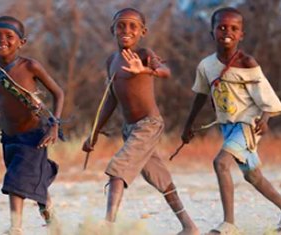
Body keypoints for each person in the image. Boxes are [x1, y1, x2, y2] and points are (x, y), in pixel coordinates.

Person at [181, 7, 281, 234]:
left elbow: (266, 96)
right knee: (253, 176)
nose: (227, 32)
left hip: (248, 124)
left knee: (220, 163)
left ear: (242, 35)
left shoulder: (247, 63)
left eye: (233, 28)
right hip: (227, 126)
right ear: (212, 32)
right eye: (221, 27)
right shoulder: (206, 66)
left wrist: (266, 119)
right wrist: (188, 125)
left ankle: (229, 224)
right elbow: (201, 95)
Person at [81, 8, 199, 235]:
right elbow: (110, 100)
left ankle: (108, 226)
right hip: (130, 129)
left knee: (118, 168)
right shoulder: (111, 61)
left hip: (149, 124)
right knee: (159, 177)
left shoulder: (144, 53)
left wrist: (144, 69)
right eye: (121, 25)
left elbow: (165, 71)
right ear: (112, 30)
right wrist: (94, 133)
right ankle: (189, 226)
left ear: (142, 31)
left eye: (133, 26)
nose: (126, 30)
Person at [0, 16, 64, 234]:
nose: (2, 40)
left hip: (35, 135)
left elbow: (58, 93)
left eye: (9, 36)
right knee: (27, 177)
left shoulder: (30, 66)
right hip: (9, 138)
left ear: (21, 42)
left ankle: (15, 228)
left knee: (15, 180)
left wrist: (54, 125)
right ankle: (49, 213)